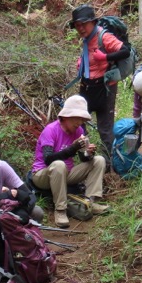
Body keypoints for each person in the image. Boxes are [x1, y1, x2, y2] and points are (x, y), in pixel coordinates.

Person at [31, 95, 109, 228]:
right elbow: (48, 159)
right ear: (66, 116)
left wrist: (88, 153)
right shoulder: (50, 130)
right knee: (59, 165)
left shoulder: (78, 131)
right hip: (43, 174)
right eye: (77, 118)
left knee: (99, 160)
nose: (80, 122)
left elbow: (83, 158)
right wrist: (73, 148)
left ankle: (90, 202)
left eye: (82, 119)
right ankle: (60, 209)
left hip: (66, 173)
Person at [70, 4, 131, 161]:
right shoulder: (86, 39)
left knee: (105, 128)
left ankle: (110, 163)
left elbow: (125, 51)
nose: (81, 28)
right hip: (86, 87)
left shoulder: (103, 36)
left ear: (93, 22)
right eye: (78, 25)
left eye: (84, 24)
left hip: (104, 88)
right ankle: (86, 158)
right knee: (79, 124)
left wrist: (104, 58)